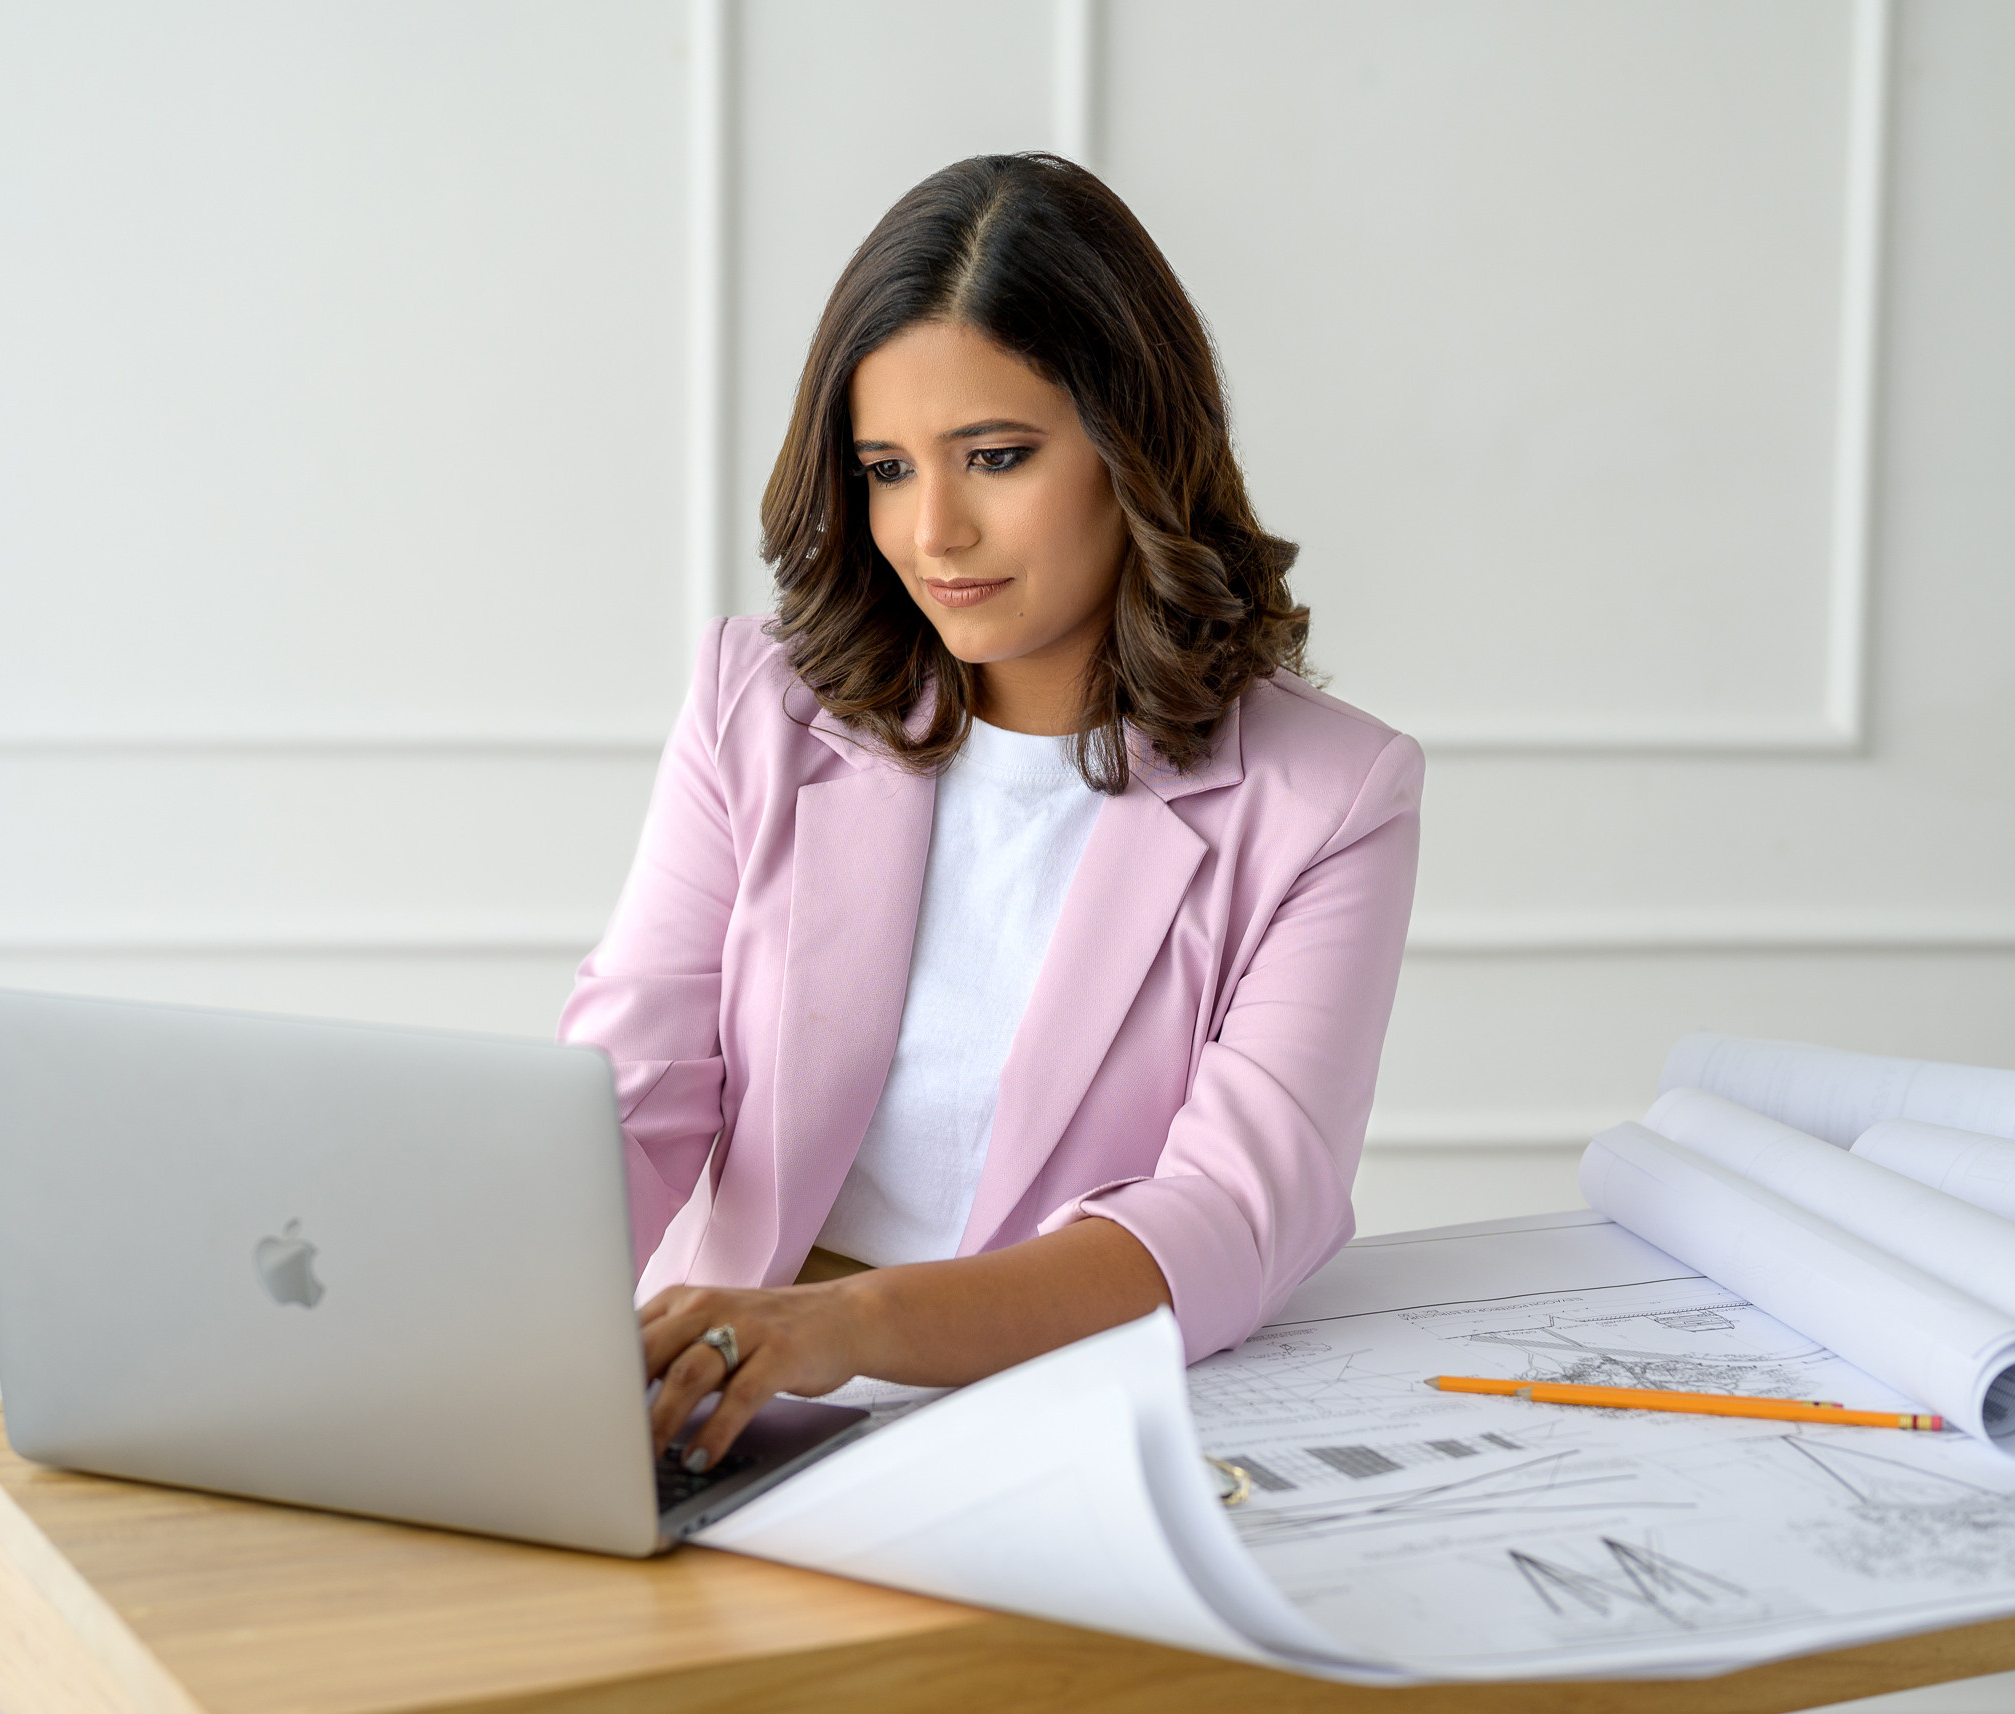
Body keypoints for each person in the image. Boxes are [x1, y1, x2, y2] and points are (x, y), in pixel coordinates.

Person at [559, 153, 1422, 1474]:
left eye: (996, 457)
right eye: (887, 468)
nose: (933, 532)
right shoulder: (759, 706)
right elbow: (633, 1097)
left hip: (1066, 1431)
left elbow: (1231, 1219)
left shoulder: (1327, 796)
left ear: (1135, 447)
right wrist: (477, 1337)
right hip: (722, 1418)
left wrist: (847, 1326)